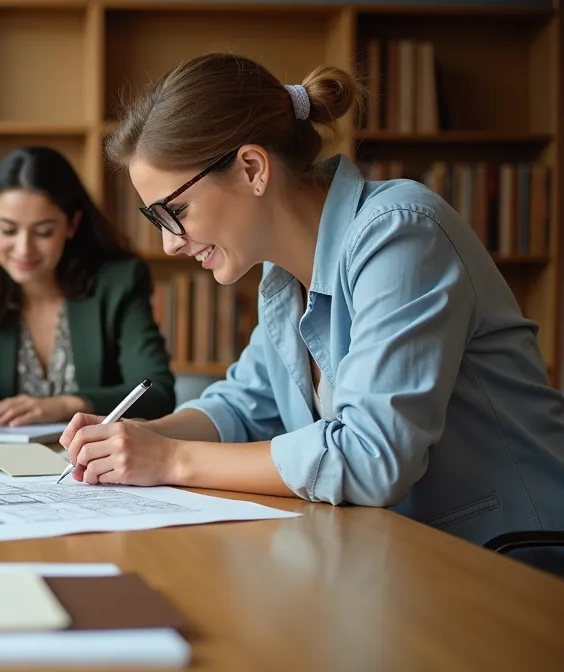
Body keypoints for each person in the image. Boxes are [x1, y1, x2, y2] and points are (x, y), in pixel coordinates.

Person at [63, 52, 564, 572]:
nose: (169, 244)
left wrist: (167, 459)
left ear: (252, 169)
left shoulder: (401, 232)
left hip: (515, 561)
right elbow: (243, 408)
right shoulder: (282, 278)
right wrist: (136, 439)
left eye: (175, 211)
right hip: (402, 559)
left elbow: (372, 457)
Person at [0, 146, 175, 430]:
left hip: (100, 460)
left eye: (43, 232)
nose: (24, 249)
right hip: (11, 465)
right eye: (8, 230)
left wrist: (63, 406)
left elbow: (157, 392)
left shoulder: (118, 281)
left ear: (72, 225)